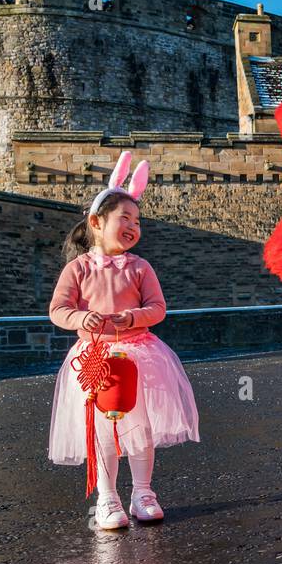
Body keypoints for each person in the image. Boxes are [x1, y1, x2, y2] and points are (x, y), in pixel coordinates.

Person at [47, 151, 200, 530]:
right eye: (124, 218)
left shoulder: (140, 267)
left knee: (139, 426)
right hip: (95, 357)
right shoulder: (77, 268)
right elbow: (58, 310)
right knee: (102, 429)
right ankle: (108, 497)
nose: (133, 226)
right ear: (97, 223)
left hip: (140, 354)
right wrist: (83, 317)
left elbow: (158, 308)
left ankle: (143, 492)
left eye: (137, 220)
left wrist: (132, 317)